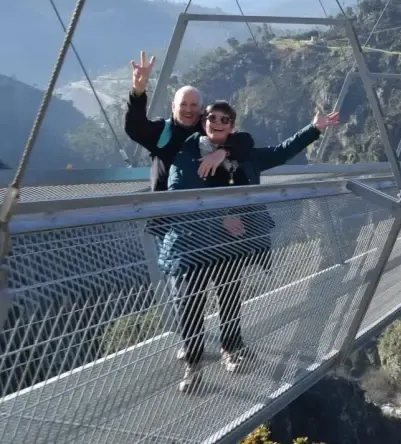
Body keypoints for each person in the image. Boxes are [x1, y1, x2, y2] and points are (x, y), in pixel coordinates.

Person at [164, 100, 340, 393]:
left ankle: (231, 351)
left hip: (230, 246)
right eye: (211, 117)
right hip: (193, 244)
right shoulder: (186, 154)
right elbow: (178, 195)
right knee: (190, 305)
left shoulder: (243, 155)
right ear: (203, 122)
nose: (217, 122)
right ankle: (193, 367)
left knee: (230, 299)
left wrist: (314, 129)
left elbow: (281, 152)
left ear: (232, 126)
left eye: (224, 119)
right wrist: (221, 218)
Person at [124, 51, 254, 192]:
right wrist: (138, 92)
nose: (188, 110)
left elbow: (245, 141)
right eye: (183, 104)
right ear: (173, 107)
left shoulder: (209, 129)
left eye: (193, 105)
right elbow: (135, 127)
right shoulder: (162, 131)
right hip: (167, 205)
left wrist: (223, 151)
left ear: (201, 109)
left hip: (204, 205)